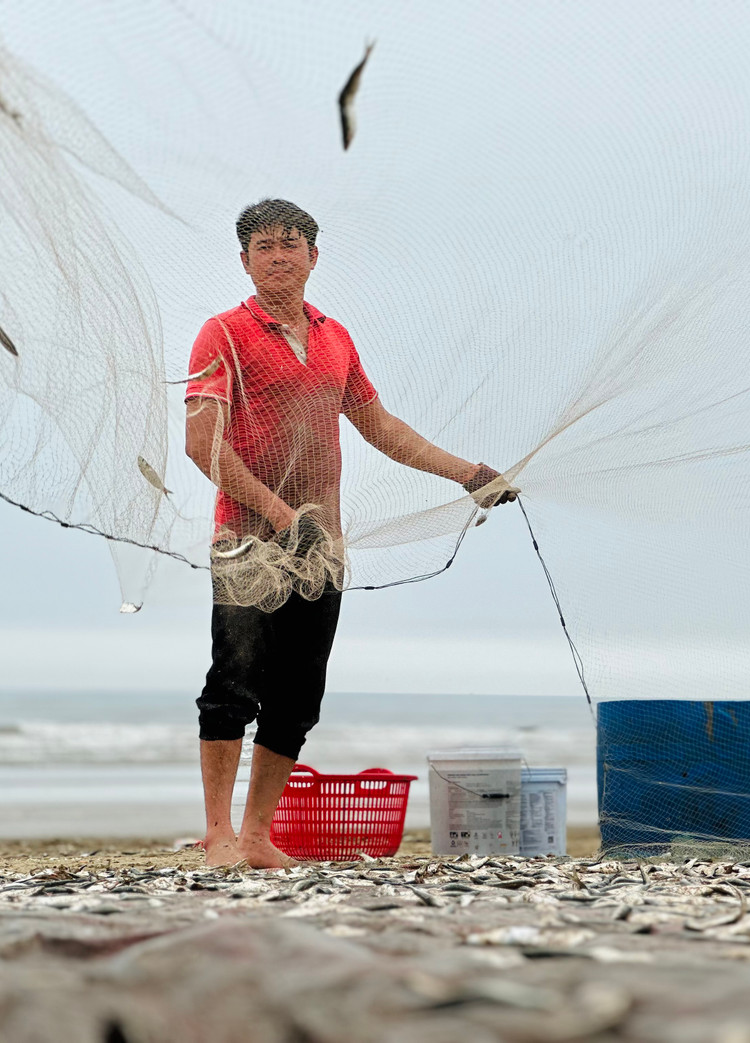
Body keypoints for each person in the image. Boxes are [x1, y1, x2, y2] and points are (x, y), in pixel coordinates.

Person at [184, 198, 514, 868]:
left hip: (324, 550)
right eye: (264, 245)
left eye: (292, 243)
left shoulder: (336, 338)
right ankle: (218, 834)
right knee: (234, 681)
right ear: (244, 260)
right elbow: (203, 446)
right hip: (249, 541)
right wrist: (283, 517)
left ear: (314, 255)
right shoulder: (221, 334)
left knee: (299, 693)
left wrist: (468, 473)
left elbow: (381, 427)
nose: (279, 255)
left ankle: (256, 835)